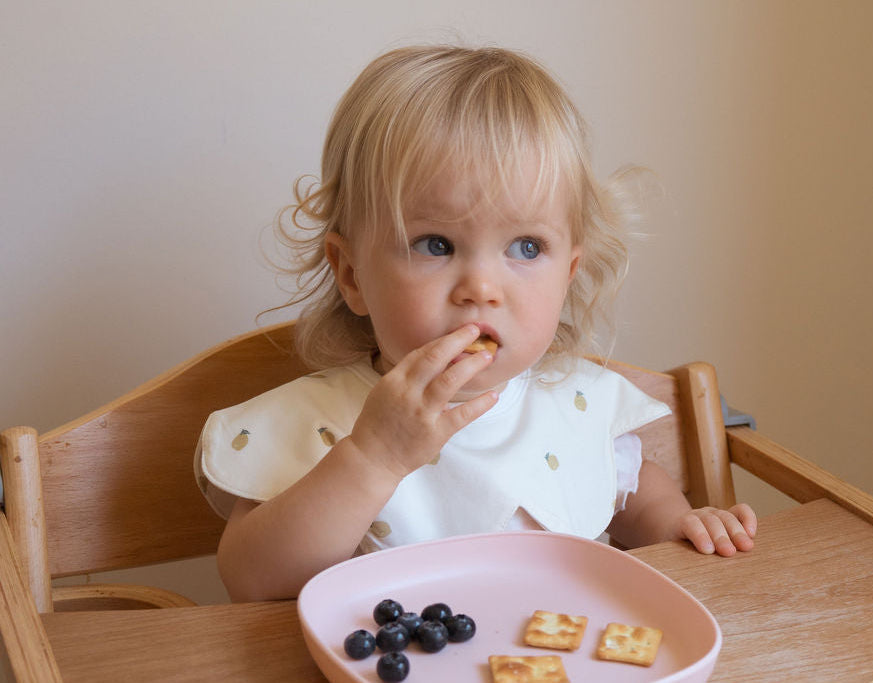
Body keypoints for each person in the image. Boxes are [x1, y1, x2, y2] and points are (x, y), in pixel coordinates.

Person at [195, 45, 756, 602]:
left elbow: (626, 491)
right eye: (435, 244)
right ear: (351, 275)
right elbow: (252, 580)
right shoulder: (317, 424)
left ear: (568, 274)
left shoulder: (576, 403)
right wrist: (372, 458)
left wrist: (675, 525)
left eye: (527, 246)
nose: (482, 289)